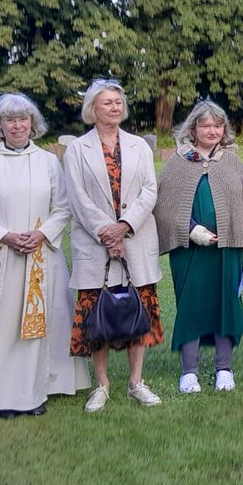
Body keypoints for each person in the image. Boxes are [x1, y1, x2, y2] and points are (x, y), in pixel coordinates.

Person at [0, 94, 90, 420]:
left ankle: (34, 393)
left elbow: (64, 207)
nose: (17, 125)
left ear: (33, 123)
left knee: (36, 327)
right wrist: (5, 236)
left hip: (40, 258)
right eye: (9, 120)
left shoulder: (48, 162)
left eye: (23, 118)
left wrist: (40, 234)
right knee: (1, 327)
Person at [64, 79, 164, 412]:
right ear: (92, 108)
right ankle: (102, 385)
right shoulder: (77, 149)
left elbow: (150, 190)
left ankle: (136, 382)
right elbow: (77, 198)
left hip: (135, 239)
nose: (115, 107)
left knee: (137, 311)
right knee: (98, 316)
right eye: (107, 103)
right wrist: (106, 233)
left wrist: (123, 227)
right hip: (95, 245)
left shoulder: (139, 146)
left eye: (118, 102)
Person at [155, 100, 243, 393]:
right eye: (205, 125)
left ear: (223, 129)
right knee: (191, 306)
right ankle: (189, 372)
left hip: (229, 248)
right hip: (191, 250)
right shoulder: (178, 161)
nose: (212, 130)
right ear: (194, 128)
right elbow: (163, 207)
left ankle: (224, 368)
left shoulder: (232, 161)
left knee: (226, 305)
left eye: (217, 125)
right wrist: (190, 230)